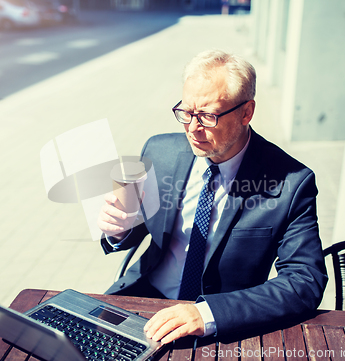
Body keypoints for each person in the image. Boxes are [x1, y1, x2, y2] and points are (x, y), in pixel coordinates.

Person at [97, 50, 328, 344]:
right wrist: (118, 229)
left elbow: (304, 281)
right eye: (186, 112)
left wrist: (206, 314)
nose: (193, 129)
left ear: (247, 112)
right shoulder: (159, 151)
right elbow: (136, 228)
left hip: (222, 326)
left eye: (207, 116)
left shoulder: (292, 182)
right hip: (143, 300)